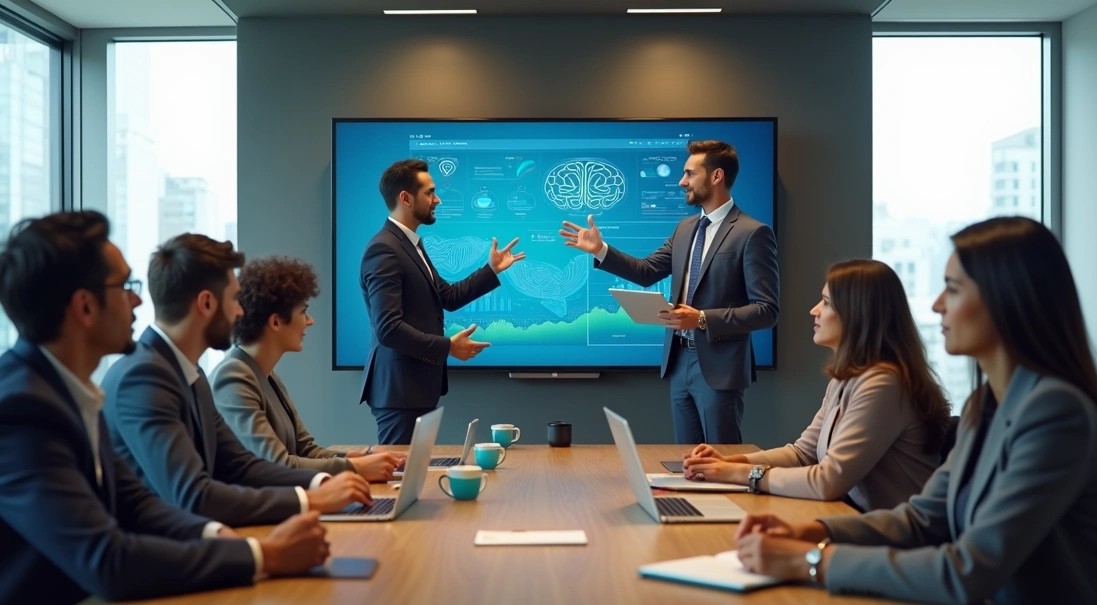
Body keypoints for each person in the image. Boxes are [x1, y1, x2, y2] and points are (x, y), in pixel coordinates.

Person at [732, 217, 1097, 605]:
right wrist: (815, 530)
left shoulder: (1056, 413)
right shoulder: (985, 406)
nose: (938, 303)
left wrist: (809, 561)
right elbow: (922, 519)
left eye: (953, 289)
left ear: (1008, 301)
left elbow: (967, 569)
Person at [0, 212, 330, 605]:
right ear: (85, 306)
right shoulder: (18, 412)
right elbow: (107, 560)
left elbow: (137, 505)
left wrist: (221, 536)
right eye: (125, 287)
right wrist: (264, 555)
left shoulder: (61, 390)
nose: (139, 302)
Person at [102, 234, 372, 527]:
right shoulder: (143, 377)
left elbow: (242, 467)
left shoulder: (190, 374)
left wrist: (323, 482)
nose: (241, 311)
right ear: (206, 303)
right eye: (233, 299)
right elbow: (194, 496)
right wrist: (312, 499)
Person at [683, 260, 949, 512]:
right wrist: (727, 463)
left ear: (858, 315)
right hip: (855, 521)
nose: (814, 310)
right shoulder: (847, 378)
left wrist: (740, 474)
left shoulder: (883, 384)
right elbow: (803, 454)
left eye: (826, 302)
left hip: (893, 542)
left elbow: (827, 481)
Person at [560, 140, 779, 444]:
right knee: (686, 460)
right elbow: (646, 271)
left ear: (716, 176)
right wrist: (600, 250)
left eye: (689, 173)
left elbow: (767, 310)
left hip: (719, 368)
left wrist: (701, 318)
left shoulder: (752, 233)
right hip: (678, 363)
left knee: (721, 461)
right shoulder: (685, 228)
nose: (682, 181)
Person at [360, 159, 525, 444]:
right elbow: (388, 328)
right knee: (397, 480)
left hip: (414, 389)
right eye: (430, 192)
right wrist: (448, 347)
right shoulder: (384, 250)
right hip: (399, 392)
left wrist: (492, 270)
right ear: (405, 198)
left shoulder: (410, 244)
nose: (437, 199)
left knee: (411, 477)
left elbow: (446, 297)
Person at [212, 256, 405, 478]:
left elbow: (306, 450)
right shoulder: (233, 377)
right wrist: (357, 469)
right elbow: (275, 463)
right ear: (275, 322)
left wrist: (357, 457)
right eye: (303, 311)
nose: (310, 321)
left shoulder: (267, 375)